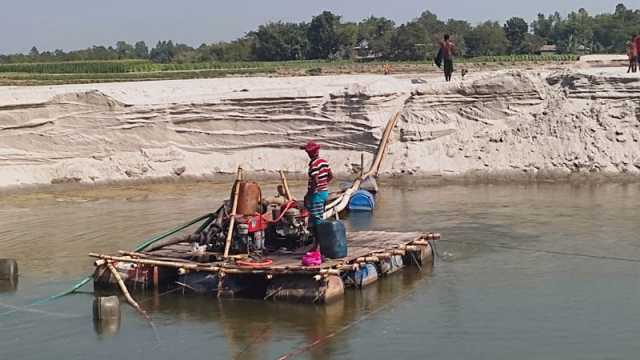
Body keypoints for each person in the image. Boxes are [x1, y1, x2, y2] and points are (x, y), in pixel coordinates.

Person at [301, 141, 333, 244]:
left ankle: (318, 245)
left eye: (308, 152)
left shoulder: (314, 164)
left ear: (311, 153)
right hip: (324, 193)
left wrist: (309, 194)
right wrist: (324, 185)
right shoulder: (324, 162)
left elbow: (315, 181)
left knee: (317, 220)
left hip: (317, 195)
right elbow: (331, 176)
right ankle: (317, 244)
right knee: (319, 216)